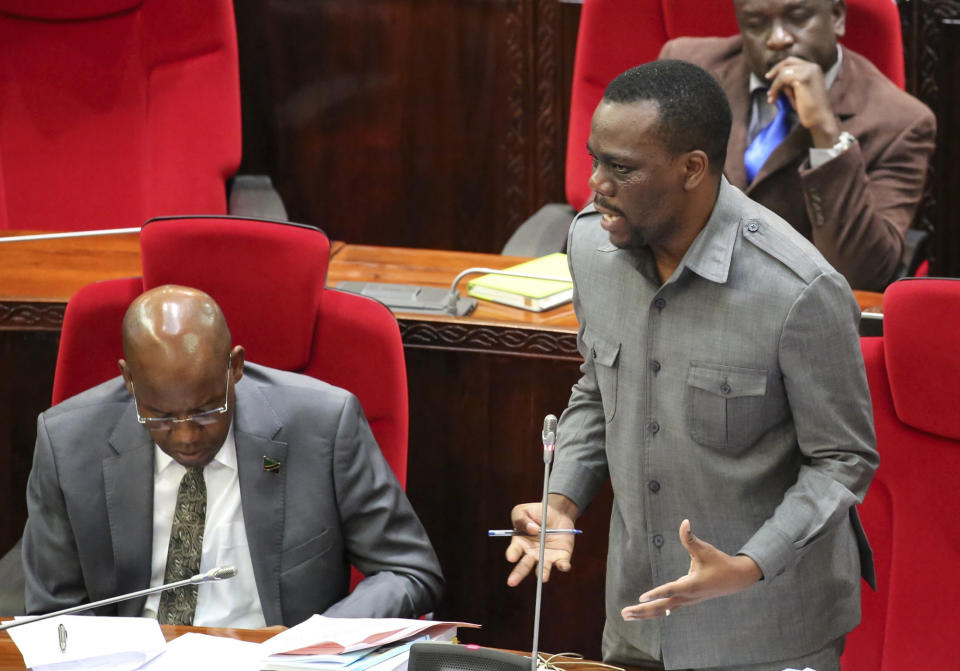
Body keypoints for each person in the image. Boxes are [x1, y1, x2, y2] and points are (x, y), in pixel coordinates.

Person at [504, 60, 878, 671]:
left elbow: (843, 459)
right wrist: (562, 501)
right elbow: (599, 389)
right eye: (596, 158)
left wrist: (750, 564)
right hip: (636, 617)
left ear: (692, 169)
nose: (597, 183)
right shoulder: (592, 250)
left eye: (622, 168)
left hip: (765, 630)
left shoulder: (798, 290)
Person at [22, 285, 443, 627]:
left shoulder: (324, 426)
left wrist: (321, 640)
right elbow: (53, 613)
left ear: (235, 368)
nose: (186, 436)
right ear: (128, 380)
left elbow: (409, 570)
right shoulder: (67, 442)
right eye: (161, 416)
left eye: (208, 410)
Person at [659, 0, 935, 292]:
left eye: (799, 18)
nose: (778, 39)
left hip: (798, 309)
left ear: (838, 16)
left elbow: (861, 276)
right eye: (756, 23)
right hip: (682, 285)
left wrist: (826, 134)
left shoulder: (900, 122)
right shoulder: (687, 68)